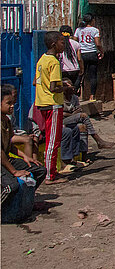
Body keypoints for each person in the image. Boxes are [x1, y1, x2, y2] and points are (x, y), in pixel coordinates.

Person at [2, 84, 47, 223]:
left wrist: (25, 157)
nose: (12, 107)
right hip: (2, 161)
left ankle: (26, 202)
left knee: (39, 170)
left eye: (13, 103)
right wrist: (14, 171)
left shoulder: (7, 121)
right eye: (8, 103)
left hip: (6, 159)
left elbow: (8, 146)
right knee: (11, 187)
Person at [34, 31, 68, 184]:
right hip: (53, 104)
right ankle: (49, 176)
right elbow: (54, 87)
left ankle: (52, 171)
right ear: (54, 43)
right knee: (52, 141)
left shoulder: (42, 60)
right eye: (62, 42)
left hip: (42, 102)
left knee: (51, 139)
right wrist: (65, 88)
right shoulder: (54, 62)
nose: (64, 44)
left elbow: (36, 82)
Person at [62, 78, 114, 157]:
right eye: (68, 86)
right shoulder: (61, 99)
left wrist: (72, 114)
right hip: (63, 121)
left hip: (73, 119)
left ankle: (84, 156)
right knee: (84, 116)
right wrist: (73, 115)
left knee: (82, 127)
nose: (72, 87)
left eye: (71, 85)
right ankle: (98, 140)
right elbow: (61, 114)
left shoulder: (74, 98)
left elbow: (78, 110)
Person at [75, 14, 103, 101]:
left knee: (80, 75)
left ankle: (74, 93)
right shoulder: (94, 30)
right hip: (92, 54)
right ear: (92, 21)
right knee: (93, 76)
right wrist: (101, 51)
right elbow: (97, 43)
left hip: (82, 54)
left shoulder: (78, 30)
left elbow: (75, 41)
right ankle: (92, 96)